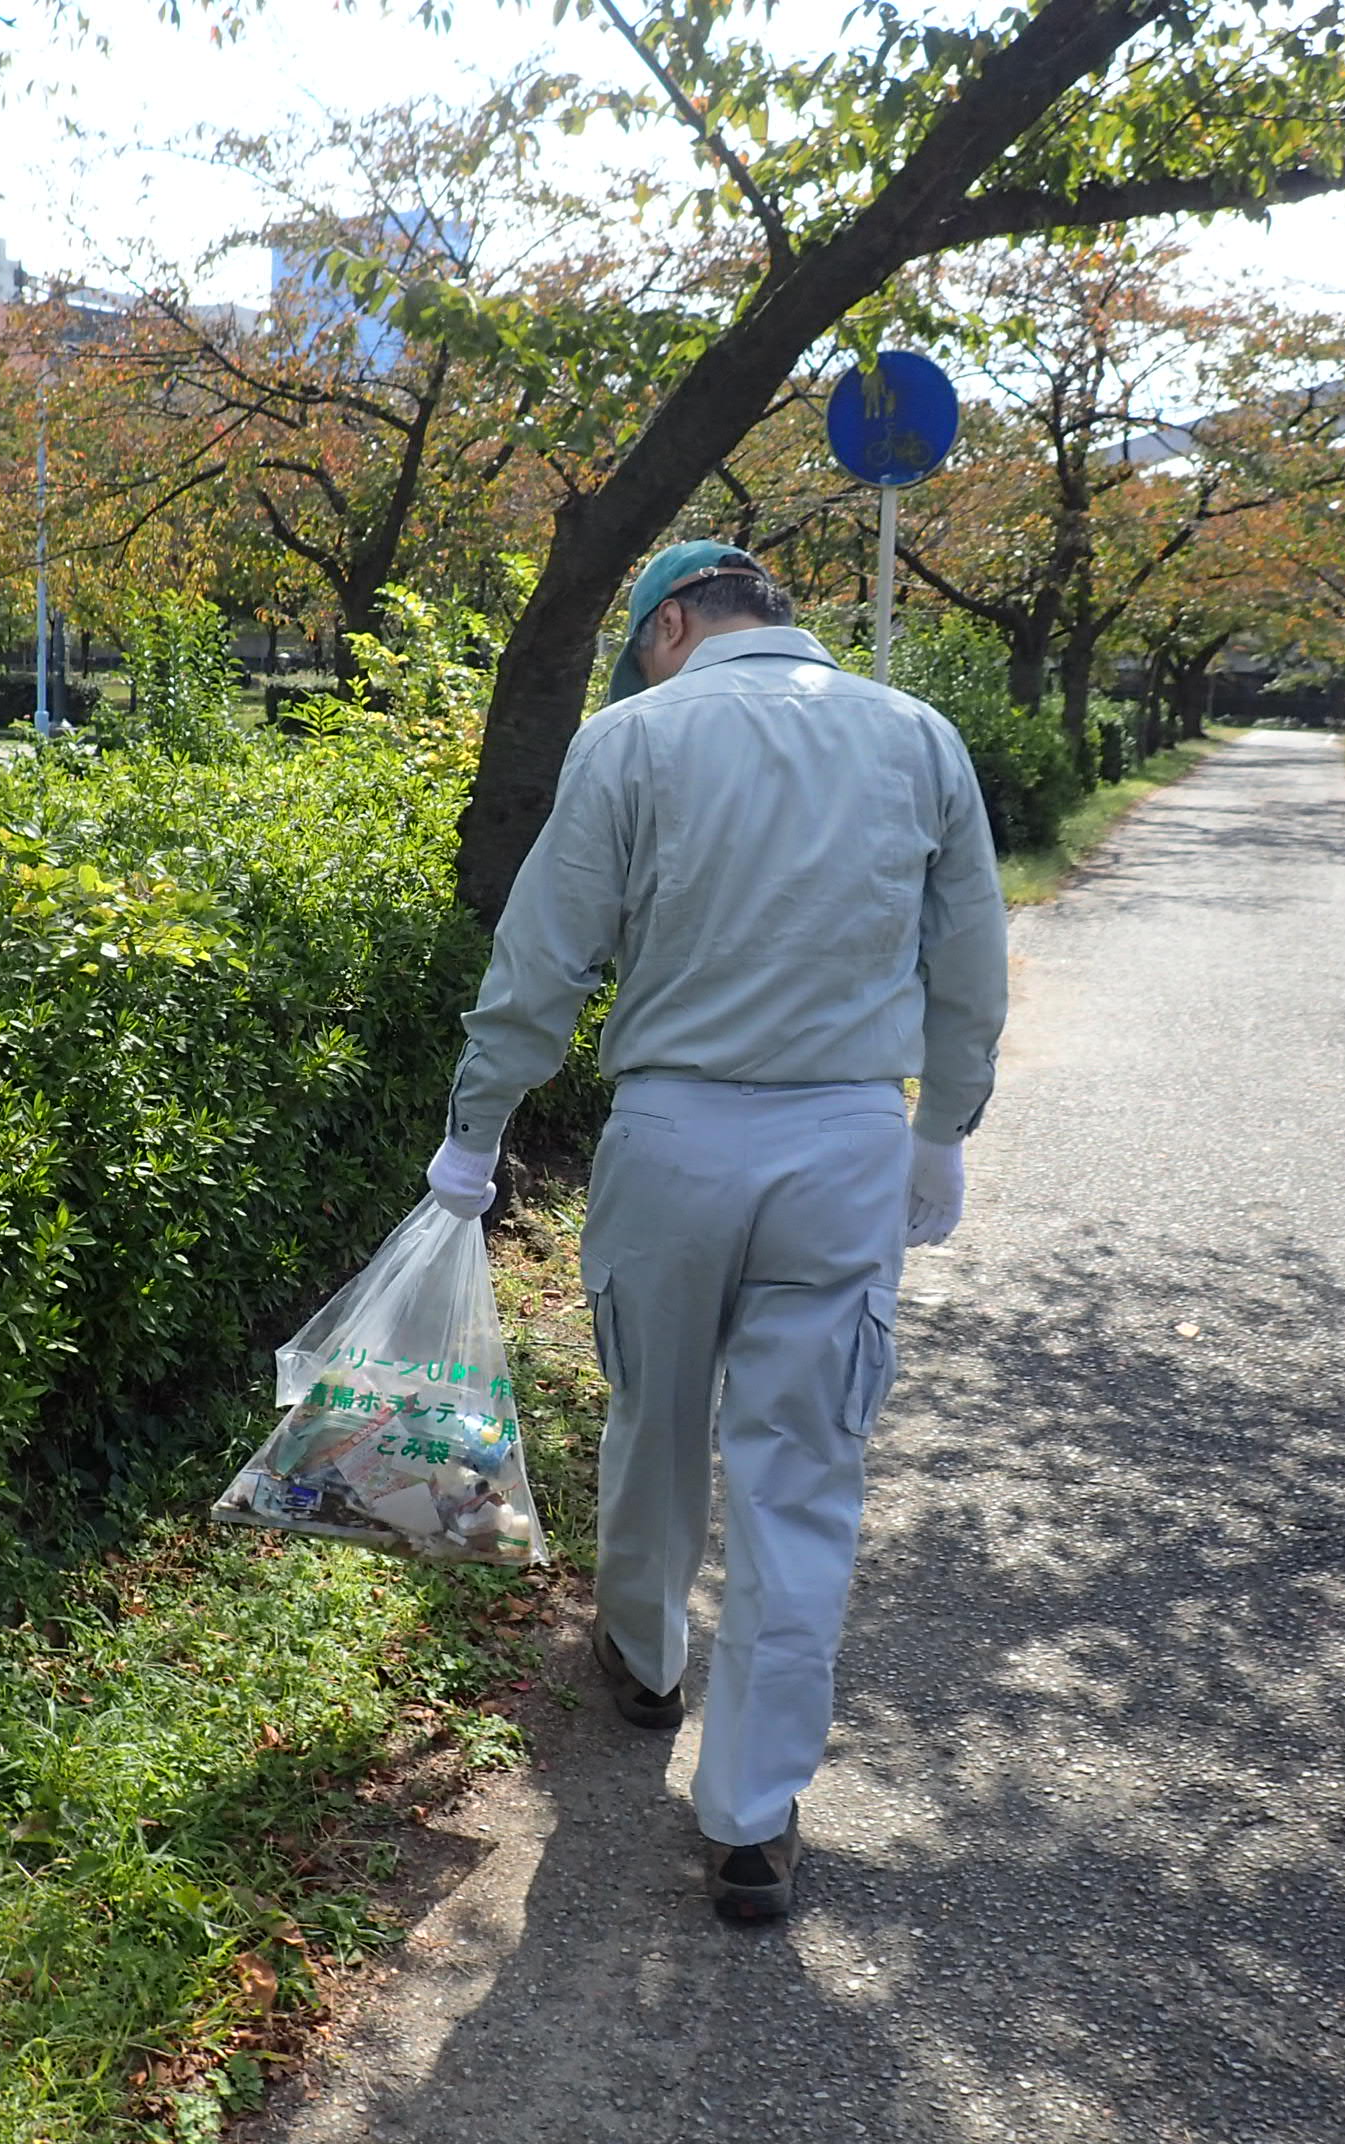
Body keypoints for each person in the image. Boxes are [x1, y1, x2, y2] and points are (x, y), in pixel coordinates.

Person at [424, 541, 1007, 1923]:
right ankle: (751, 1820)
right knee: (804, 1472)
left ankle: (644, 1659)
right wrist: (944, 1130)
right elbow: (968, 959)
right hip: (848, 1142)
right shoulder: (917, 738)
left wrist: (477, 1124)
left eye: (644, 644)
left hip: (675, 1137)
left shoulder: (633, 740)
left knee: (657, 1415)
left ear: (673, 622)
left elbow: (544, 957)